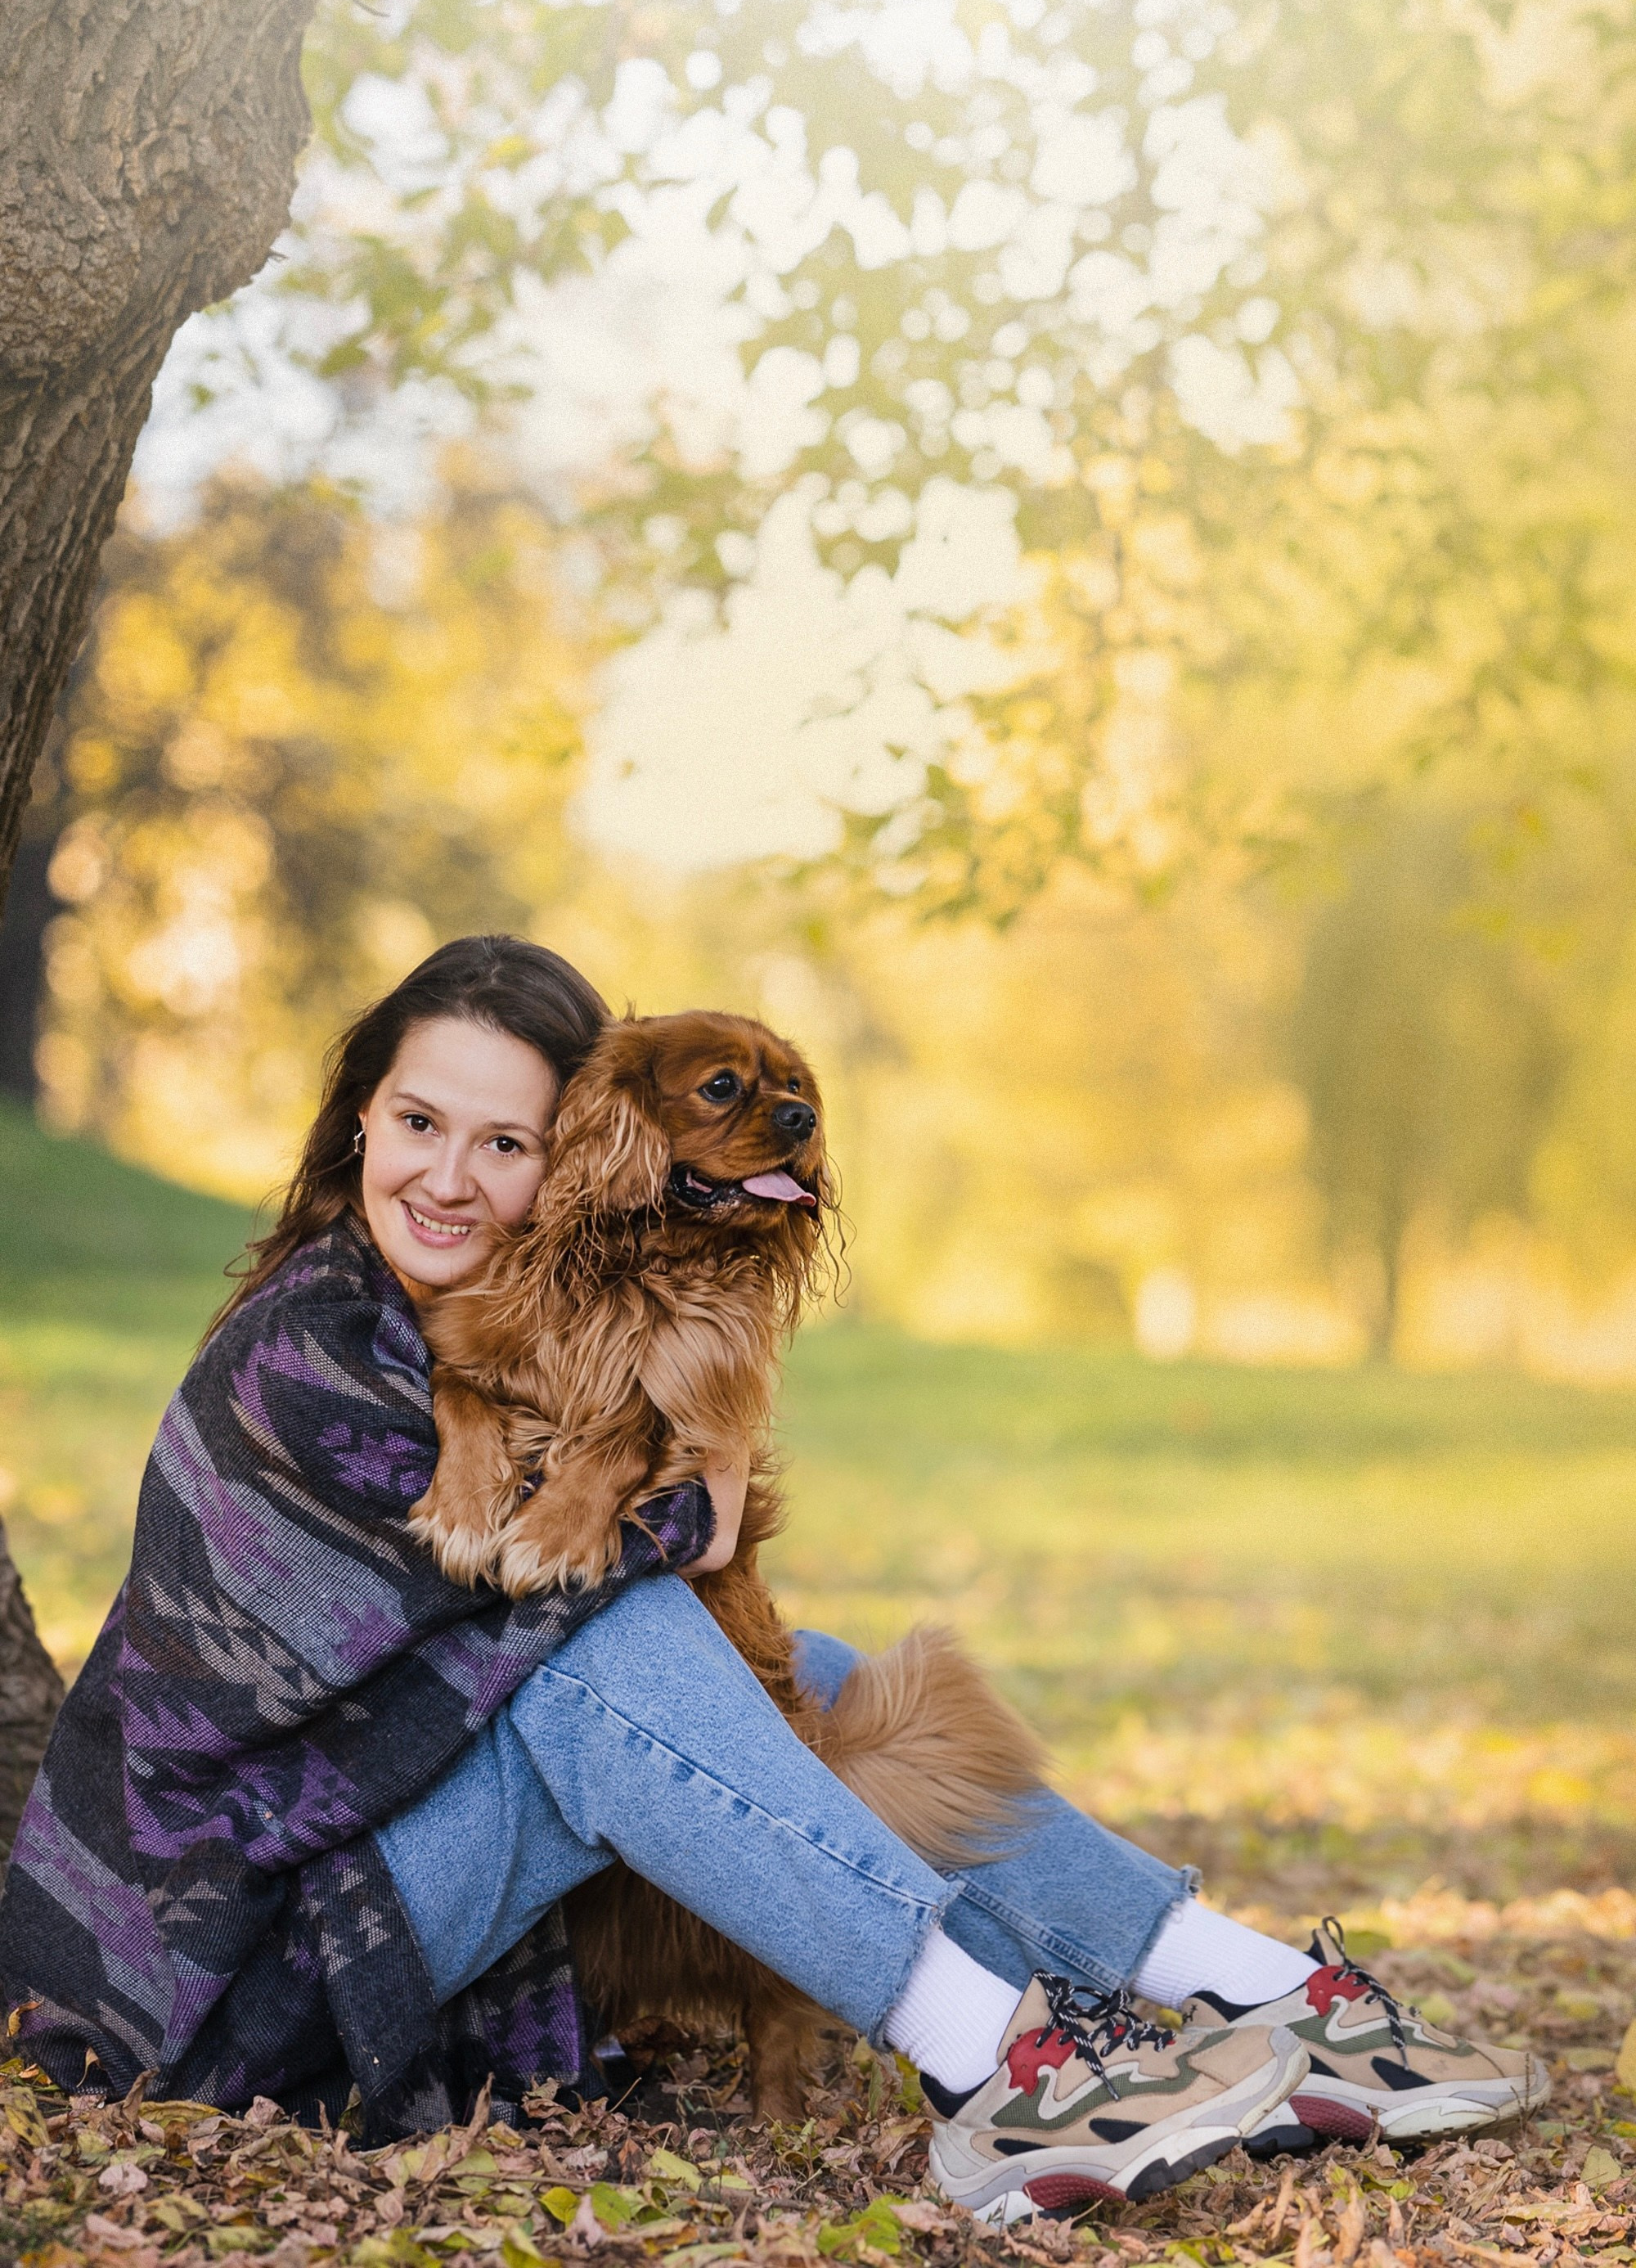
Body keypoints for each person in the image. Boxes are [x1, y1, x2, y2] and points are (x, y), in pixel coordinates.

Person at [0, 938, 1546, 2221]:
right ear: (359, 1125)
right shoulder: (307, 1348)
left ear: (576, 1163)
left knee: (818, 1668)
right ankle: (1001, 2064)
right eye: (418, 1123)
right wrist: (708, 1497)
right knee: (618, 1660)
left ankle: (1270, 1996)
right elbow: (535, 1616)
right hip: (219, 1975)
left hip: (370, 1871)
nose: (451, 1178)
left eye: (507, 1142)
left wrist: (695, 1478)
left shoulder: (487, 1317)